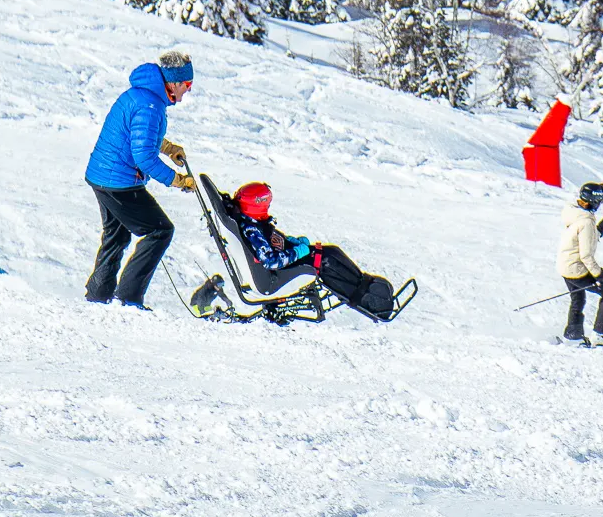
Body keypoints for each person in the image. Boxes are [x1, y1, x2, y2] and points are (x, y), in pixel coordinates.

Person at [83, 51, 197, 309]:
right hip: (118, 181)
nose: (187, 93)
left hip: (102, 175)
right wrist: (177, 180)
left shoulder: (143, 95)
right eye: (187, 86)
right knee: (160, 230)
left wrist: (167, 148)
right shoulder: (150, 105)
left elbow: (137, 137)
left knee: (117, 234)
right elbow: (143, 157)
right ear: (174, 83)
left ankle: (98, 295)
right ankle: (129, 298)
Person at [228, 181, 398, 317]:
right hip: (282, 270)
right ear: (257, 205)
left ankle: (364, 284)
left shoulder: (253, 222)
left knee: (331, 251)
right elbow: (271, 261)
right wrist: (298, 251)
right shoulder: (252, 230)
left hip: (289, 257)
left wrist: (290, 242)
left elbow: (271, 241)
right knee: (328, 261)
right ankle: (364, 298)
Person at [558, 181, 603, 349]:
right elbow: (586, 255)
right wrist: (599, 276)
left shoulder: (575, 213)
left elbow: (584, 240)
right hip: (576, 268)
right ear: (594, 200)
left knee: (578, 298)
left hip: (565, 266)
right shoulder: (586, 221)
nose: (601, 204)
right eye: (600, 200)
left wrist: (599, 229)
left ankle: (573, 336)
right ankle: (601, 335)